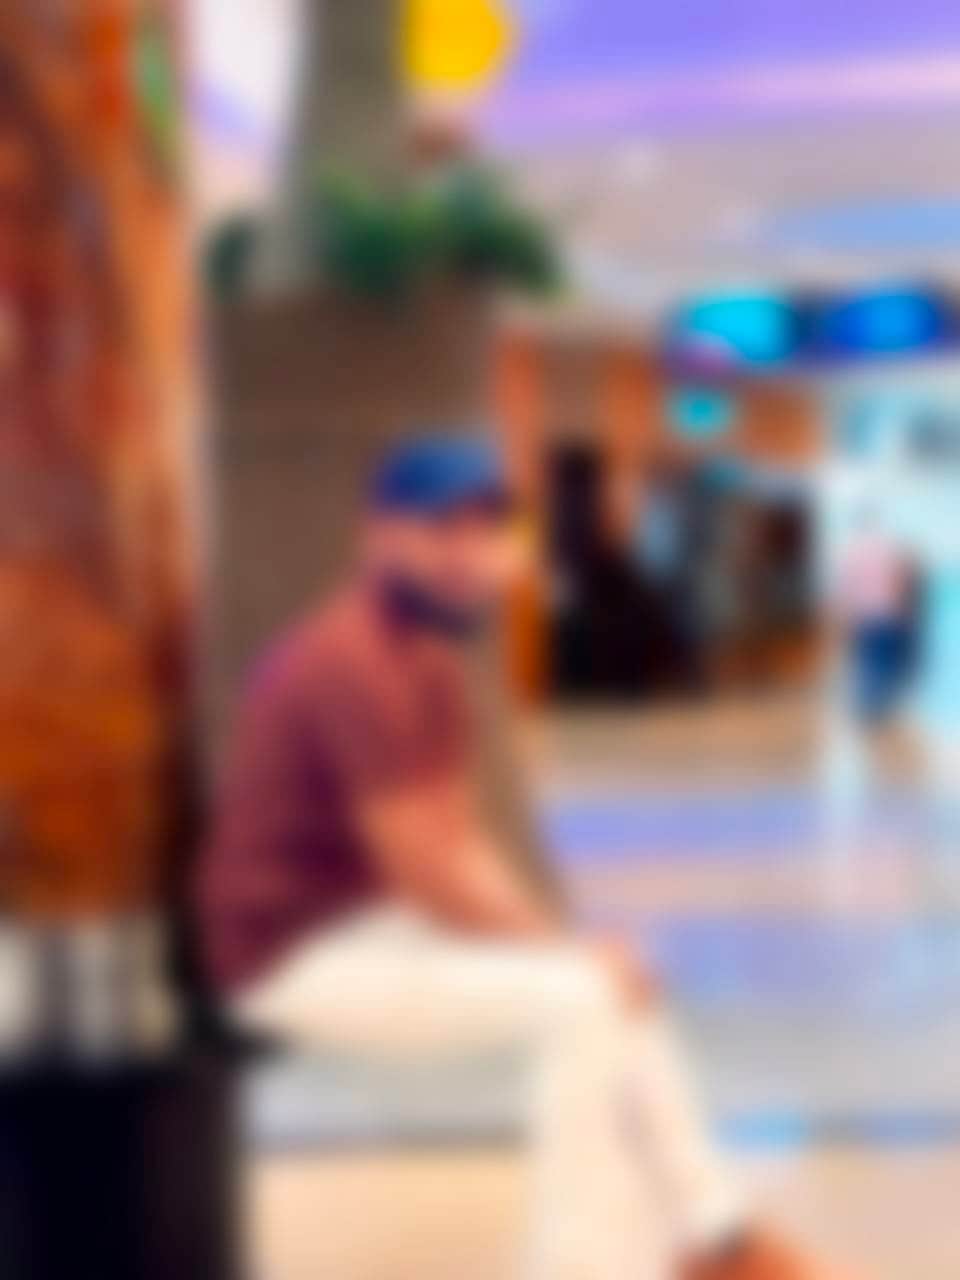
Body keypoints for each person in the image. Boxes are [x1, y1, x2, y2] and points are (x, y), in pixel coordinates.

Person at [198, 435, 849, 1280]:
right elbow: (428, 870)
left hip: (359, 925)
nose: (470, 553)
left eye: (486, 529)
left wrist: (570, 945)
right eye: (442, 528)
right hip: (285, 959)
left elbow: (461, 839)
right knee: (583, 1000)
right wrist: (566, 955)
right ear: (377, 535)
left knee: (614, 986)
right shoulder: (353, 661)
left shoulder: (426, 657)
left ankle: (715, 1236)